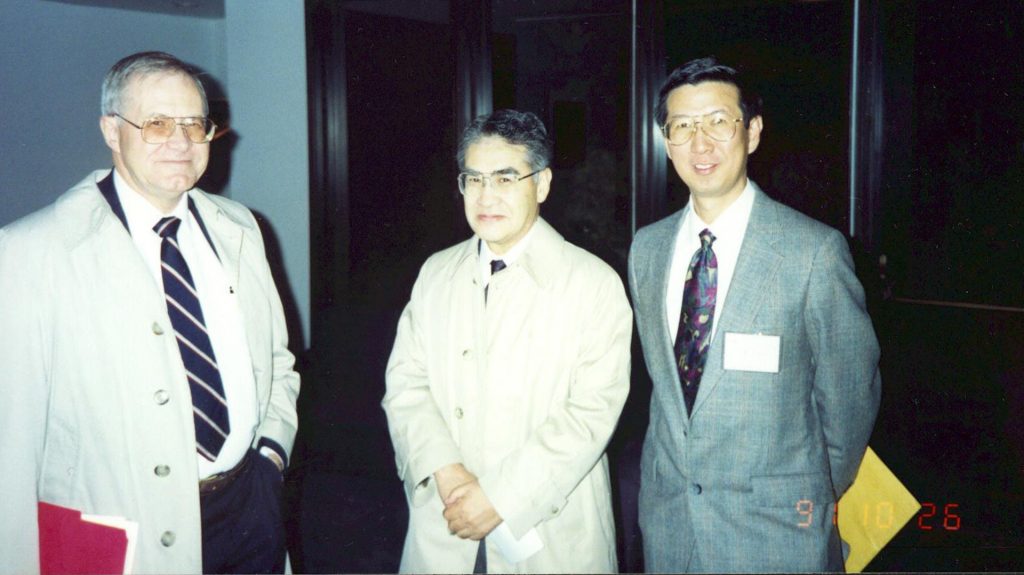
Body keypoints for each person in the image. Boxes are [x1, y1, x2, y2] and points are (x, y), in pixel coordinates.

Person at [0, 51, 300, 574]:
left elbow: (277, 361)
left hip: (249, 508)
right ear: (112, 131)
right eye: (157, 123)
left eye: (194, 124)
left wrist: (271, 455)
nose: (181, 142)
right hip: (122, 529)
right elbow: (11, 446)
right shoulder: (32, 251)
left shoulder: (241, 228)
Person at [628, 56, 881, 572]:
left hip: (777, 537)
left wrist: (804, 493)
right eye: (683, 126)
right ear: (666, 139)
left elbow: (851, 398)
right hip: (670, 527)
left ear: (753, 133)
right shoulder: (646, 249)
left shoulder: (812, 252)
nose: (701, 143)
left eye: (719, 122)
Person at [383, 109, 632, 573]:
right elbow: (406, 385)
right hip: (447, 516)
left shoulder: (593, 284)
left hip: (547, 529)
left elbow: (591, 414)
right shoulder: (437, 273)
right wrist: (445, 469)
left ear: (542, 184)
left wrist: (499, 497)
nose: (486, 196)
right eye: (473, 179)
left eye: (505, 178)